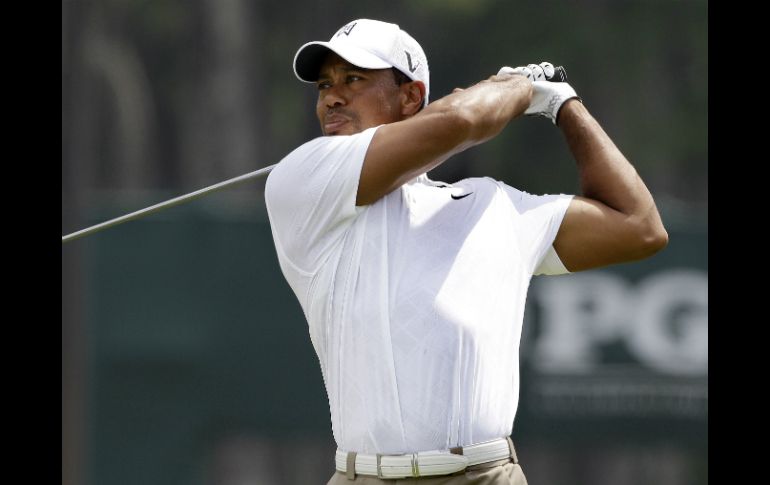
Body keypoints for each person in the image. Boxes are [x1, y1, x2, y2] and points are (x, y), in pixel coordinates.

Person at [264, 18, 668, 485]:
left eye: (353, 79)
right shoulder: (301, 180)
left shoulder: (492, 205)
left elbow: (639, 226)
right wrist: (519, 87)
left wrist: (563, 105)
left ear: (410, 97)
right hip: (363, 476)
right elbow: (461, 121)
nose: (332, 97)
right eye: (324, 85)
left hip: (485, 474)